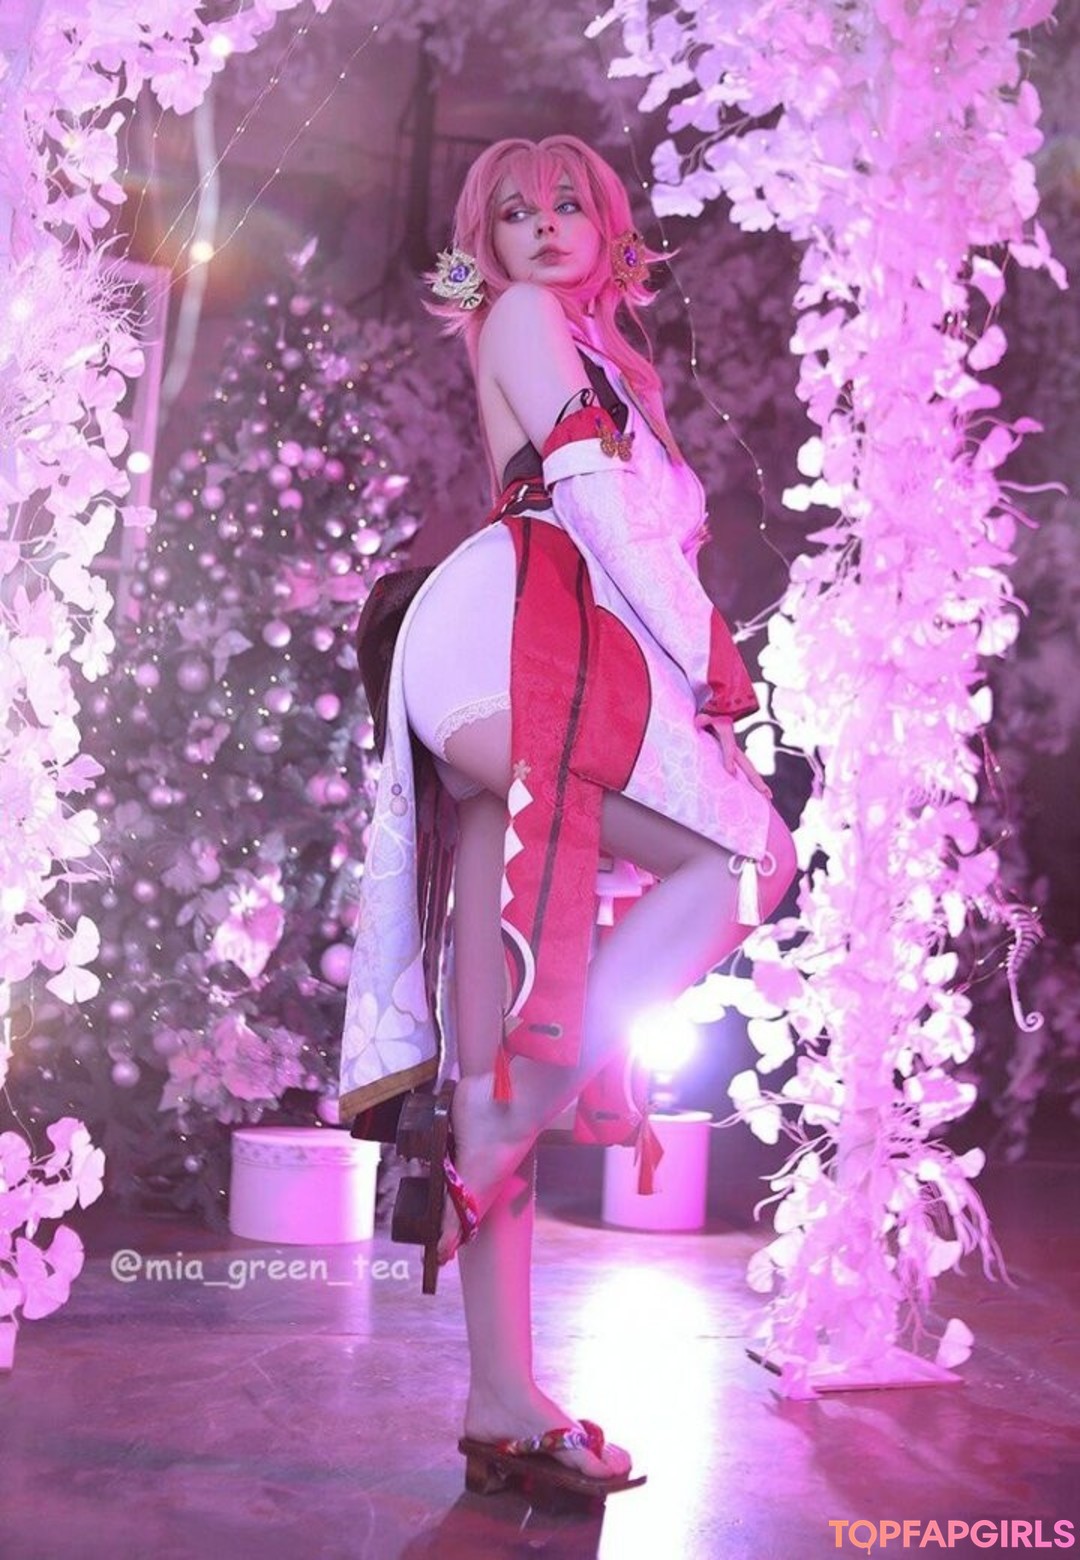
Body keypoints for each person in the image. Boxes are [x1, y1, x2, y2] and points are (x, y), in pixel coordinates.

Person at [338, 134, 798, 1498]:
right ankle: (504, 1127)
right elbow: (600, 508)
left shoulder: (593, 350)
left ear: (609, 231)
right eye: (513, 213)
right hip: (517, 641)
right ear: (486, 245)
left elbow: (618, 520)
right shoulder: (529, 320)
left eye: (567, 207)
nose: (541, 228)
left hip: (542, 644)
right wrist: (713, 669)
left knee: (495, 1049)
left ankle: (502, 1401)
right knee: (738, 861)